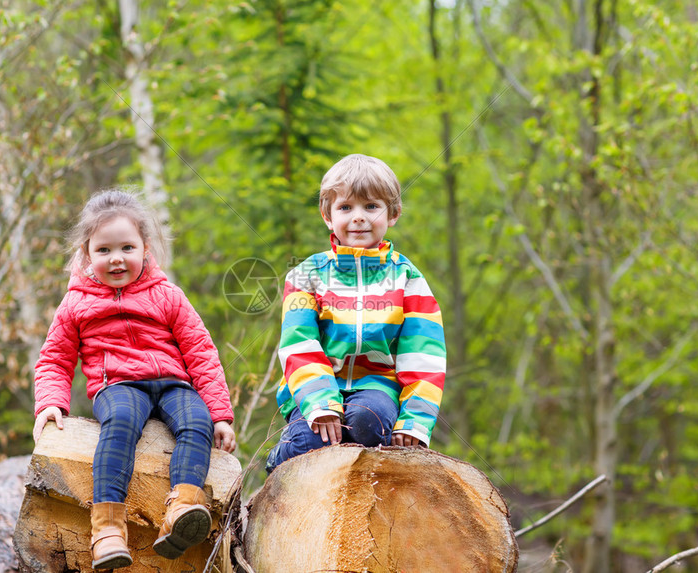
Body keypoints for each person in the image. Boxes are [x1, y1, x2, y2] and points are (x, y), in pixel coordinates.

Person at [32, 189, 236, 569]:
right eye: (104, 250)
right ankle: (107, 529)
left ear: (145, 247)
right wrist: (49, 403)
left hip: (174, 383)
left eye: (127, 247)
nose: (116, 259)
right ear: (86, 253)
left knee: (197, 421)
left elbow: (201, 353)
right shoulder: (77, 302)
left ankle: (183, 507)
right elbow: (56, 358)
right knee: (121, 421)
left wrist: (220, 414)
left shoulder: (166, 295)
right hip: (118, 386)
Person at [267, 154, 446, 472]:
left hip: (378, 386)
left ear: (393, 213)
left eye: (371, 207)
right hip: (315, 389)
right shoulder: (306, 275)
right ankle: (277, 464)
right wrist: (320, 403)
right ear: (327, 215)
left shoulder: (408, 278)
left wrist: (414, 422)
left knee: (367, 422)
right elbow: (299, 343)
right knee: (307, 444)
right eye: (346, 208)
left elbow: (424, 355)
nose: (359, 218)